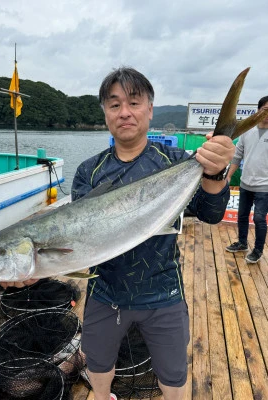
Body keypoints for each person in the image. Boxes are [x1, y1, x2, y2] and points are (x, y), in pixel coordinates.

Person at [71, 67, 234, 400]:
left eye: (134, 102)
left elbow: (211, 214)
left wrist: (216, 173)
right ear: (105, 113)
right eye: (114, 105)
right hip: (106, 292)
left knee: (173, 376)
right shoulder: (89, 171)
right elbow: (81, 236)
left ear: (150, 109)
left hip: (163, 291)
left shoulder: (176, 160)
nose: (125, 112)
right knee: (98, 365)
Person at [225, 96, 268, 263]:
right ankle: (242, 243)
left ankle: (257, 251)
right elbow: (237, 157)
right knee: (242, 215)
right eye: (265, 109)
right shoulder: (247, 131)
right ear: (258, 110)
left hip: (265, 186)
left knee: (259, 217)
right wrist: (228, 176)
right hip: (245, 182)